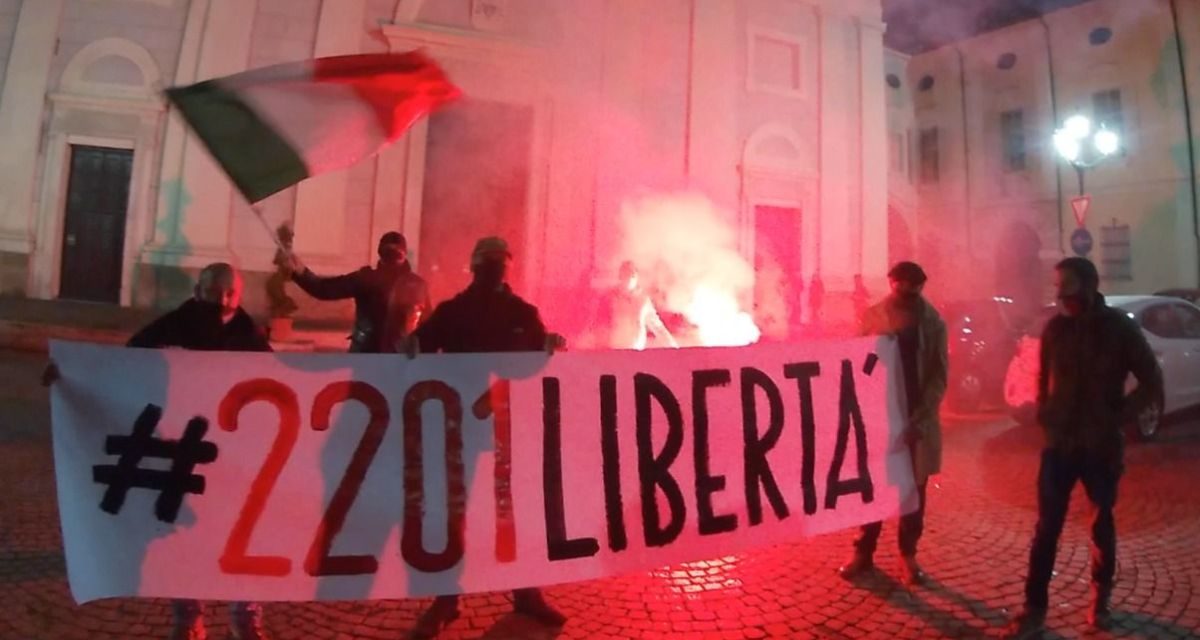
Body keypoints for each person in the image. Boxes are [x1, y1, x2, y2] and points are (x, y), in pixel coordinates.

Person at [45, 263, 272, 640]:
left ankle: (245, 615)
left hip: (234, 459)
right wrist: (71, 374)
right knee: (181, 537)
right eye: (214, 291)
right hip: (183, 451)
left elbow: (281, 384)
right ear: (198, 291)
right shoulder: (172, 326)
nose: (222, 299)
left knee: (241, 534)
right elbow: (124, 366)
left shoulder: (250, 336)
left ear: (240, 295)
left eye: (230, 292)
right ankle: (189, 616)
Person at [402, 236, 567, 638]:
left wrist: (549, 348)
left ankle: (526, 593)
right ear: (475, 266)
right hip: (460, 426)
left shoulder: (522, 313)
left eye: (498, 261)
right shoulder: (453, 312)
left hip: (508, 429)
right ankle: (446, 599)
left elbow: (533, 364)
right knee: (453, 513)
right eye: (488, 261)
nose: (493, 268)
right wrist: (409, 343)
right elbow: (420, 348)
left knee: (513, 514)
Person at [1003, 258, 1162, 638]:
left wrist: (1118, 416)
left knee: (1100, 522)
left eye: (1069, 288)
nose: (1061, 296)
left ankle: (1100, 598)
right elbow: (1043, 377)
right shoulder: (1056, 329)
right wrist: (1045, 412)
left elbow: (1152, 381)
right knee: (1046, 528)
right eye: (1058, 288)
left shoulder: (1119, 329)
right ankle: (1034, 609)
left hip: (1100, 447)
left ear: (1090, 286)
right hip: (1059, 445)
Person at [838, 261, 947, 586]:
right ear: (891, 283)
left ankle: (908, 555)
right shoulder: (873, 316)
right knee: (873, 487)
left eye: (913, 287)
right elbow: (857, 362)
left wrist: (921, 416)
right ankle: (863, 551)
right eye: (901, 285)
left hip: (916, 420)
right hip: (880, 416)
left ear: (921, 287)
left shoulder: (933, 323)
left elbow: (938, 375)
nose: (906, 291)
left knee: (913, 492)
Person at [286, 231, 430, 353]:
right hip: (379, 356)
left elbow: (429, 325)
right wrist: (300, 272)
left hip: (383, 356)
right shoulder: (369, 279)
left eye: (395, 253)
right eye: (389, 252)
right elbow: (325, 289)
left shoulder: (413, 284)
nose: (392, 258)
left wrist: (300, 273)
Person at [593, 261, 679, 350]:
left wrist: (674, 348)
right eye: (625, 274)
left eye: (632, 274)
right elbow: (600, 327)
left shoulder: (643, 300)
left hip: (636, 351)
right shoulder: (611, 298)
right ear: (620, 277)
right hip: (616, 350)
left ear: (636, 277)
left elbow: (657, 327)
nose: (628, 278)